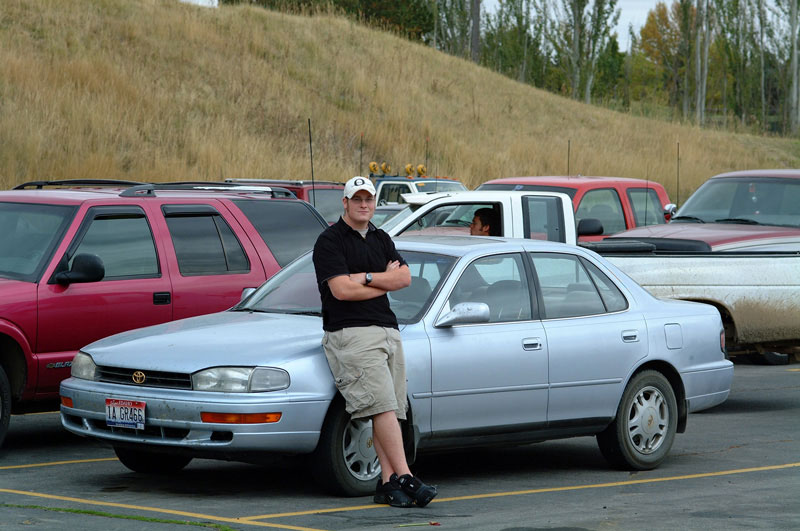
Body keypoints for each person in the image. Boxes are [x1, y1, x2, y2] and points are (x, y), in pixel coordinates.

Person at [312, 176, 438, 508]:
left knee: (393, 409)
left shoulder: (381, 238)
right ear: (345, 202)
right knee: (380, 405)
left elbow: (405, 278)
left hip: (388, 330)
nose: (364, 205)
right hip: (351, 333)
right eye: (358, 199)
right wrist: (385, 281)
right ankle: (406, 476)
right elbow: (341, 290)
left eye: (369, 200)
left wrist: (366, 278)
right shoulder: (330, 241)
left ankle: (387, 483)